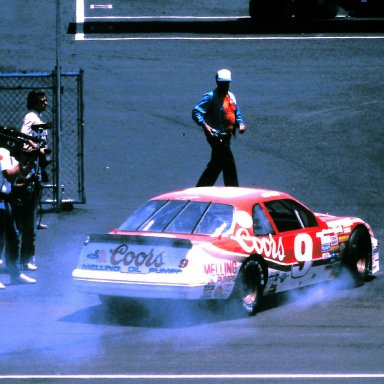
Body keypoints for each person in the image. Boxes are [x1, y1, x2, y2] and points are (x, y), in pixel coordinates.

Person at [13, 89, 51, 272]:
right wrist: (37, 149)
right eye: (42, 101)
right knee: (26, 221)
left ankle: (27, 257)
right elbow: (23, 137)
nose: (45, 103)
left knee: (30, 220)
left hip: (34, 174)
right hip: (27, 176)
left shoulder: (38, 119)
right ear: (34, 102)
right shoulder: (31, 118)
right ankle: (23, 259)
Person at [192, 69, 247, 187]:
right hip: (215, 135)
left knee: (216, 164)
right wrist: (205, 126)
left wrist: (240, 124)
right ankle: (233, 189)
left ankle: (202, 187)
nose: (225, 86)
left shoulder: (231, 97)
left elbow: (236, 114)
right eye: (222, 84)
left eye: (227, 83)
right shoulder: (210, 97)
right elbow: (196, 112)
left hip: (227, 136)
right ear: (217, 83)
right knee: (229, 162)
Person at [0, 145, 37, 287]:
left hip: (5, 201)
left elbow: (20, 174)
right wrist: (22, 162)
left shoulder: (7, 154)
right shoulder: (2, 152)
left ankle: (15, 274)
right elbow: (9, 174)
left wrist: (32, 159)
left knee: (13, 238)